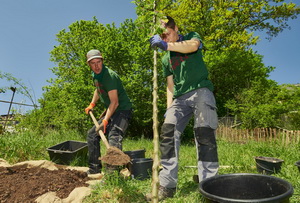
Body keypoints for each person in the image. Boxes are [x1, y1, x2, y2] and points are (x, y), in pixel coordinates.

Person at [147, 16, 219, 201]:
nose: (166, 39)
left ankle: (209, 187)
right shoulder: (166, 59)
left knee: (204, 133)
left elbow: (193, 46)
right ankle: (168, 185)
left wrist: (167, 45)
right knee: (168, 132)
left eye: (168, 34)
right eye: (162, 37)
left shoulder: (191, 37)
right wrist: (169, 108)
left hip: (201, 90)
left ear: (176, 29)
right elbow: (170, 86)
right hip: (180, 98)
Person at [84, 49, 133, 174]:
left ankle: (112, 174)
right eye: (93, 63)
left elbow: (115, 102)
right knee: (92, 135)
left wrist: (106, 120)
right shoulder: (95, 75)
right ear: (89, 64)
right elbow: (98, 89)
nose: (96, 66)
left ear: (102, 61)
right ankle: (94, 169)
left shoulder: (109, 76)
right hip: (111, 110)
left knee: (114, 136)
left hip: (123, 110)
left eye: (98, 62)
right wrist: (92, 104)